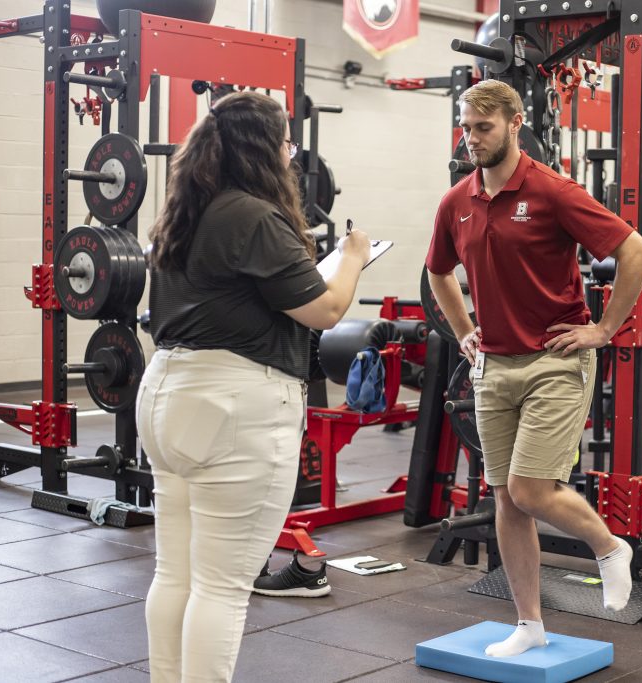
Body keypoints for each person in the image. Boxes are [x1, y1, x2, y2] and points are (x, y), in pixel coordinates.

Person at [137, 90, 370, 682]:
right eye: (288, 143)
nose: (292, 155)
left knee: (176, 575)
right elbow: (326, 310)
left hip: (167, 392)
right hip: (233, 405)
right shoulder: (254, 215)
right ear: (266, 148)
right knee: (221, 587)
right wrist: (352, 255)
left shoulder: (184, 212)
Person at [425, 80, 642, 658]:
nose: (471, 138)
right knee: (504, 496)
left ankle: (609, 548)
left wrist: (603, 329)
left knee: (530, 489)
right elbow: (438, 271)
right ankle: (529, 625)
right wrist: (463, 330)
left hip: (555, 362)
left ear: (514, 123)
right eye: (466, 126)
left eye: (483, 127)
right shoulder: (456, 201)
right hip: (493, 366)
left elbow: (637, 252)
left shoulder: (553, 190)